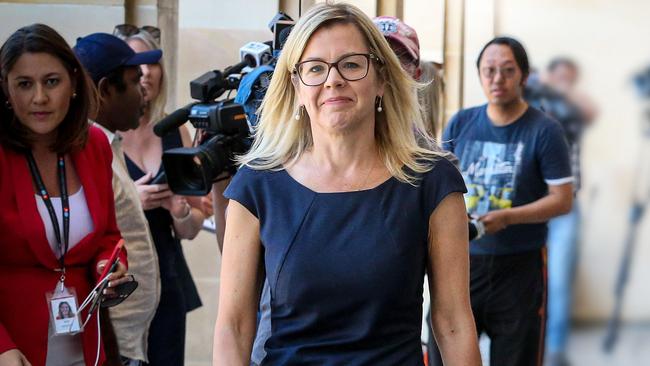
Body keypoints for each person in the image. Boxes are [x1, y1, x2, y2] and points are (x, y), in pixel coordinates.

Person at [213, 3, 481, 365]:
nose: (333, 79)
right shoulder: (257, 186)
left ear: (382, 79)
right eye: (315, 68)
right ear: (296, 86)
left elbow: (453, 323)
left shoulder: (432, 182)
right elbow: (234, 326)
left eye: (351, 64)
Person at [0, 24, 128, 366]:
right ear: (6, 90)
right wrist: (1, 346)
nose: (39, 97)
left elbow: (108, 237)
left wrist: (109, 267)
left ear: (72, 83)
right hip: (14, 347)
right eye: (24, 84)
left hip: (84, 339)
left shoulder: (95, 144)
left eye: (51, 81)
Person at [440, 37, 574, 366]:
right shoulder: (461, 122)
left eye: (507, 70)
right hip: (461, 265)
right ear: (479, 74)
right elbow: (439, 186)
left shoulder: (544, 131)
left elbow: (562, 200)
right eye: (489, 71)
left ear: (524, 76)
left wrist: (508, 217)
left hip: (519, 268)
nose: (497, 79)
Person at [114, 28, 206, 366]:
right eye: (136, 65)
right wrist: (129, 201)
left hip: (168, 275)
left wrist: (180, 210)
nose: (146, 73)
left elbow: (193, 227)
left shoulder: (175, 130)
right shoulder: (100, 134)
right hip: (119, 277)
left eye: (153, 64)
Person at [73, 32, 163, 366]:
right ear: (105, 89)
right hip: (109, 343)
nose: (143, 91)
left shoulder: (107, 145)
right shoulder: (82, 152)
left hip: (132, 340)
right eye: (133, 82)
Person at [538, 57, 596, 366]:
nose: (564, 83)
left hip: (566, 207)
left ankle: (556, 350)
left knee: (559, 280)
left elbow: (590, 111)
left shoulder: (572, 110)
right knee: (529, 279)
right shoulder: (535, 102)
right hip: (531, 205)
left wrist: (563, 90)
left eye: (570, 79)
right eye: (559, 76)